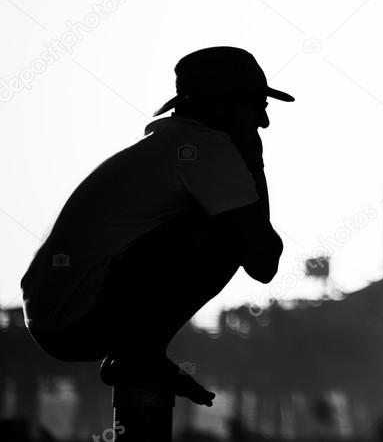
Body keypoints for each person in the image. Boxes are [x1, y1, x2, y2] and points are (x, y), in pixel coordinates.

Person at [20, 46, 293, 405]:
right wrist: (254, 165)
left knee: (231, 224)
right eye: (257, 106)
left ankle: (138, 355)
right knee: (228, 232)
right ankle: (140, 356)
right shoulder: (206, 149)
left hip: (55, 316)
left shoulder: (174, 144)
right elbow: (263, 260)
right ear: (222, 105)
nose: (264, 122)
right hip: (77, 318)